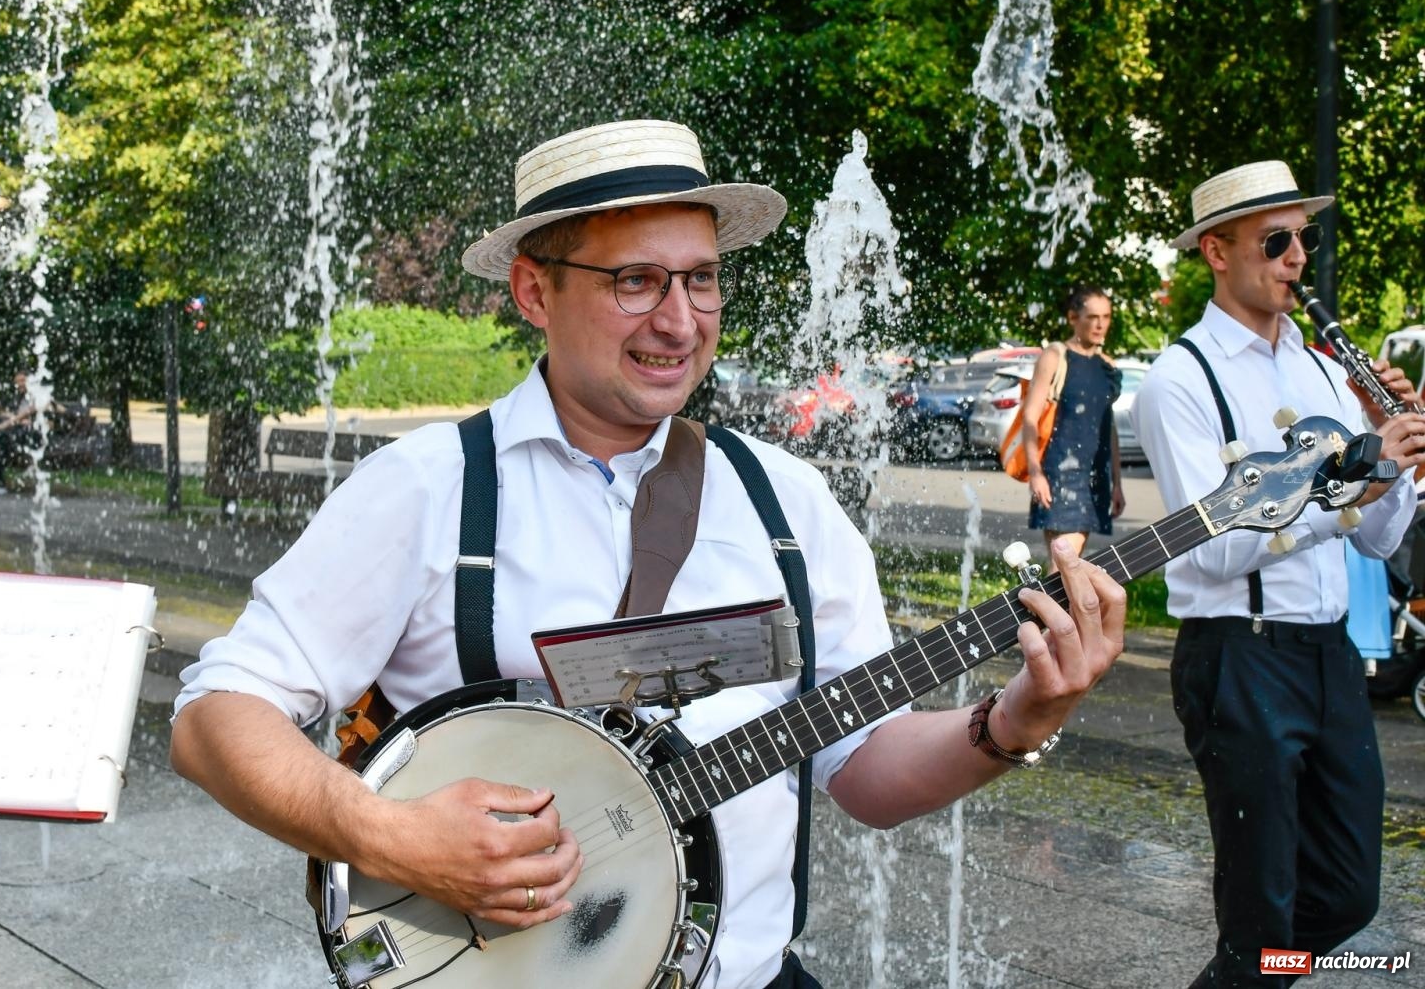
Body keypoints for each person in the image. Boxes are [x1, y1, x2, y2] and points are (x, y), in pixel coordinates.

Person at [170, 120, 1127, 989]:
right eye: (635, 280)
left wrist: (1016, 719)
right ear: (534, 291)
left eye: (700, 277)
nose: (679, 320)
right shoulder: (428, 489)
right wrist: (393, 834)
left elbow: (866, 769)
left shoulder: (785, 502)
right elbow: (215, 719)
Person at [1133, 160, 1425, 987]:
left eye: (1305, 237)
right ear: (1217, 252)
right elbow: (1212, 545)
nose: (1299, 256)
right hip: (1240, 658)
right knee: (1259, 918)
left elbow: (1375, 541)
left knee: (1348, 895)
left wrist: (1395, 468)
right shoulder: (1179, 380)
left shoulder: (1326, 369)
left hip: (1328, 657)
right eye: (1277, 239)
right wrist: (1355, 484)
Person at [1022, 287, 1124, 562]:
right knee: (1065, 565)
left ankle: (1046, 606)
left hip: (1095, 478)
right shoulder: (1056, 356)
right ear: (1072, 317)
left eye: (1106, 316)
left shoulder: (1108, 366)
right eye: (1092, 316)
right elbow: (1030, 416)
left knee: (1068, 565)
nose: (1100, 324)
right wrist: (1036, 473)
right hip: (1061, 474)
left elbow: (1109, 426)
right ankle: (1044, 606)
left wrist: (1117, 483)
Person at [0, 370, 48, 497]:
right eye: (17, 382)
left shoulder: (41, 396)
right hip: (20, 433)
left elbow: (20, 417)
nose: (20, 384)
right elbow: (14, 416)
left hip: (37, 437)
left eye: (23, 381)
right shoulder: (20, 398)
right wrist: (11, 417)